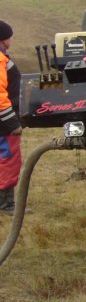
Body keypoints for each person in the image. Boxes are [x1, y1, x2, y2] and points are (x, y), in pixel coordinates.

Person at [0, 21, 22, 215]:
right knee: (7, 160)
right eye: (10, 36)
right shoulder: (0, 61)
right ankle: (6, 205)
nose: (11, 39)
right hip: (3, 126)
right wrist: (12, 123)